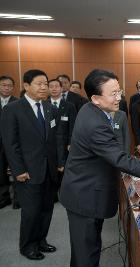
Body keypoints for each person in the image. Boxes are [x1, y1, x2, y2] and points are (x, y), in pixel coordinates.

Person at [59, 69, 140, 267]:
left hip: (85, 191)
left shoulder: (91, 110)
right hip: (85, 196)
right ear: (96, 98)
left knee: (88, 249)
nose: (119, 97)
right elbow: (119, 158)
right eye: (113, 93)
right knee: (85, 255)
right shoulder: (94, 123)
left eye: (119, 91)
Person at [1, 69, 63, 260]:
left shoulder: (49, 107)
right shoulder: (12, 109)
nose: (44, 87)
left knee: (46, 209)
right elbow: (10, 143)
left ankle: (41, 241)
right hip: (27, 171)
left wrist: (59, 163)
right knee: (31, 212)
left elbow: (54, 140)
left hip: (49, 170)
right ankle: (27, 246)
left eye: (46, 83)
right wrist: (18, 169)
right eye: (39, 84)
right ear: (26, 86)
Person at [47, 79, 77, 192]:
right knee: (51, 167)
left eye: (56, 86)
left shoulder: (69, 106)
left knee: (65, 168)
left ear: (61, 89)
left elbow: (73, 126)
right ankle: (53, 192)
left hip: (65, 143)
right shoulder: (44, 105)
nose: (54, 89)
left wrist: (71, 142)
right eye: (51, 86)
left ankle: (65, 191)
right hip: (49, 143)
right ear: (48, 89)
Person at [0, 75, 18, 209]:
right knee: (1, 171)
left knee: (16, 169)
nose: (6, 88)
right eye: (3, 85)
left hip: (13, 142)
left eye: (9, 85)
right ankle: (4, 198)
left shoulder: (17, 103)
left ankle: (18, 200)